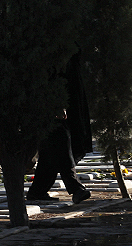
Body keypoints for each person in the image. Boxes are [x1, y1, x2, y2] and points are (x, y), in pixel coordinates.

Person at [27, 51, 92, 204]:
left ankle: (38, 190)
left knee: (52, 148)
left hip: (69, 97)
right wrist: (56, 103)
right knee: (60, 140)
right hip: (52, 99)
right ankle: (75, 187)